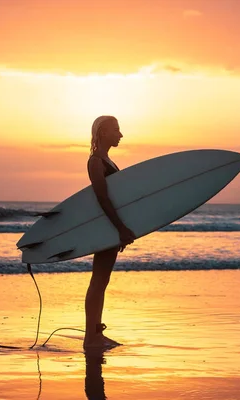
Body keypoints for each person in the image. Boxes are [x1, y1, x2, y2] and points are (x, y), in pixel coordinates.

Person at [84, 115, 136, 349]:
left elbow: (116, 198)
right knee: (98, 280)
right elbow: (102, 198)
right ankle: (91, 337)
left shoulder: (107, 160)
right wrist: (120, 228)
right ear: (103, 132)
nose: (120, 134)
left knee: (102, 280)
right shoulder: (96, 161)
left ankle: (96, 333)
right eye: (116, 130)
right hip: (105, 226)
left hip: (110, 226)